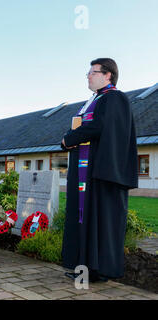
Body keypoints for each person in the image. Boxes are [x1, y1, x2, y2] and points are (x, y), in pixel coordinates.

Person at [61, 58, 138, 282]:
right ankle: (87, 269)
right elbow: (82, 126)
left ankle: (98, 270)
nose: (88, 76)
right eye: (89, 72)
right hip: (88, 173)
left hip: (102, 176)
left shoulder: (115, 98)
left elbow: (98, 126)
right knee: (86, 221)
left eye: (93, 72)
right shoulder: (95, 100)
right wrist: (68, 139)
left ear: (108, 75)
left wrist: (69, 139)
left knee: (99, 222)